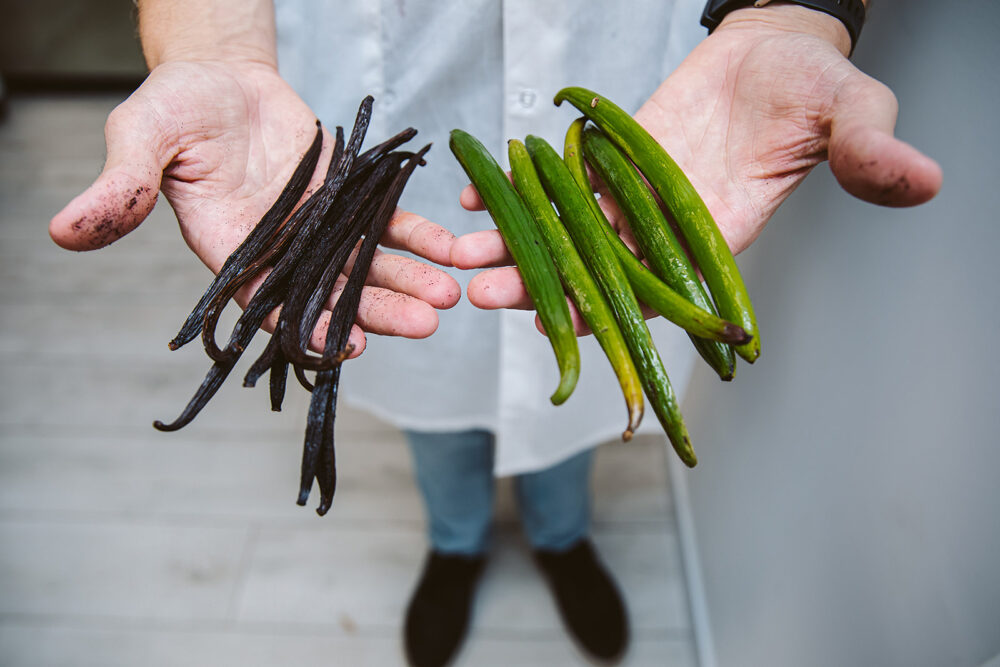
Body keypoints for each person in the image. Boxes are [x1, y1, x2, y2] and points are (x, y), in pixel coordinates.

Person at [48, 1, 941, 665]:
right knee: (432, 403)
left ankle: (561, 539)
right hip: (379, 127)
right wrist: (211, 47)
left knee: (571, 409)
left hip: (637, 110)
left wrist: (798, 10)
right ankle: (456, 544)